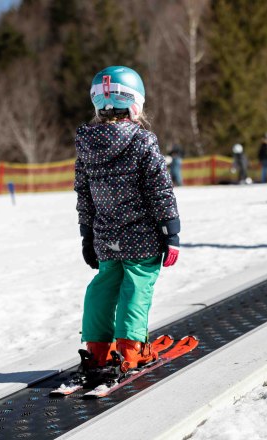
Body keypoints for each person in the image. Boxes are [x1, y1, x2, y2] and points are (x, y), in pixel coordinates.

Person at [72, 66, 180, 384]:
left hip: (106, 237)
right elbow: (160, 189)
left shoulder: (86, 145)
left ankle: (97, 350)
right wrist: (170, 231)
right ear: (135, 104)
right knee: (137, 285)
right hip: (142, 237)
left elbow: (84, 194)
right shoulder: (143, 141)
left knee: (104, 286)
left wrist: (87, 234)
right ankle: (131, 350)